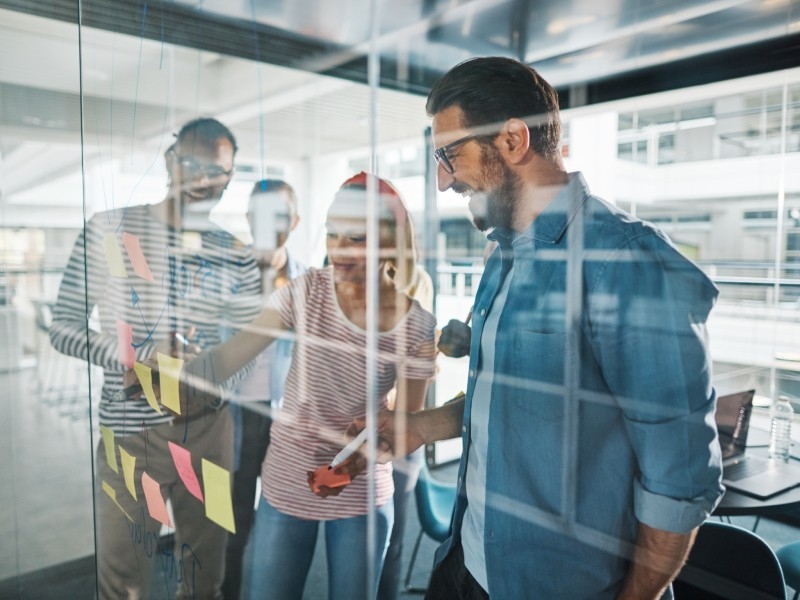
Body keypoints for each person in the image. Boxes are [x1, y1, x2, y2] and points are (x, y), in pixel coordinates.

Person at [346, 57, 724, 599]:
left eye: (448, 155)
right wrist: (423, 426)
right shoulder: (502, 254)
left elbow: (679, 483)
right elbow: (507, 396)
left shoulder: (626, 264)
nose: (441, 179)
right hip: (465, 561)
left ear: (514, 140)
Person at [190, 172, 437, 600]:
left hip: (360, 487)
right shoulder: (305, 291)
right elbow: (228, 357)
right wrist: (165, 374)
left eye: (356, 238)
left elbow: (405, 428)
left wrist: (346, 469)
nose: (338, 249)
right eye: (332, 234)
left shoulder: (416, 325)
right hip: (288, 478)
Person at [49, 118, 262, 599]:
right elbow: (62, 326)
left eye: (219, 172)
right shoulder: (110, 229)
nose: (205, 181)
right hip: (132, 434)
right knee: (124, 582)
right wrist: (132, 356)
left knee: (206, 577)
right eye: (193, 165)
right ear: (170, 162)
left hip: (209, 432)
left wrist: (210, 375)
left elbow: (249, 352)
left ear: (231, 177)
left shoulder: (236, 253)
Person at [222, 179, 307, 600]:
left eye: (276, 215)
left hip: (290, 417)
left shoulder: (308, 280)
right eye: (257, 214)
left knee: (284, 524)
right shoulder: (224, 278)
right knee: (230, 527)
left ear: (294, 222)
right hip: (235, 414)